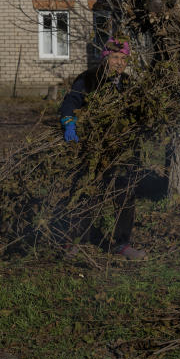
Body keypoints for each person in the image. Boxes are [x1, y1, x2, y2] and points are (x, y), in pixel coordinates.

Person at [58, 37, 146, 259]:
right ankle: (76, 242)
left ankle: (122, 244)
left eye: (123, 59)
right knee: (87, 193)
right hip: (93, 148)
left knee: (125, 195)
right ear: (105, 58)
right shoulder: (89, 79)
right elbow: (70, 102)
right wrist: (69, 122)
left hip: (121, 150)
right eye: (115, 57)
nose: (119, 63)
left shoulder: (128, 84)